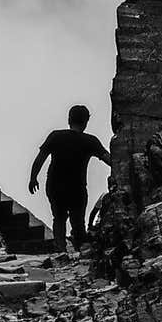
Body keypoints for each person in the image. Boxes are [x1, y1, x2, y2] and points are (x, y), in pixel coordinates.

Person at [28, 105, 111, 254]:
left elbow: (40, 159)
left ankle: (60, 250)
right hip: (77, 189)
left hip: (55, 186)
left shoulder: (56, 136)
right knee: (78, 222)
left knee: (59, 218)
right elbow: (108, 159)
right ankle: (81, 251)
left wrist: (33, 178)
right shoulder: (90, 141)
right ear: (86, 122)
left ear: (69, 119)